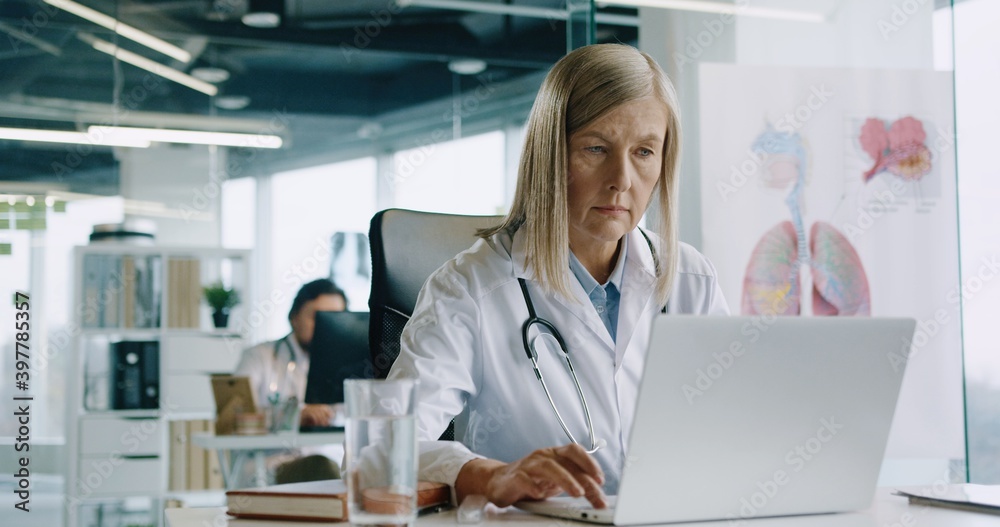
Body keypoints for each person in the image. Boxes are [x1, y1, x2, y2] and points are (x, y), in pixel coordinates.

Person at [386, 43, 729, 509]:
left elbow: (735, 423)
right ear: (550, 154)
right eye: (596, 148)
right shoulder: (469, 288)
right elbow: (380, 449)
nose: (622, 179)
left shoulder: (690, 277)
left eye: (644, 151)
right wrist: (491, 475)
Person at [235, 278, 348, 427]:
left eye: (333, 319)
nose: (324, 327)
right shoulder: (258, 356)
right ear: (294, 317)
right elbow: (236, 415)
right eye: (316, 317)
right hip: (274, 451)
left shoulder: (348, 366)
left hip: (329, 450)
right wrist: (293, 417)